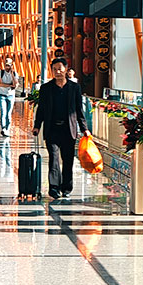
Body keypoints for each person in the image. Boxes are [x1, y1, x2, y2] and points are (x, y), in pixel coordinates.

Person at [33, 57, 87, 200]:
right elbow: (42, 109)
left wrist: (84, 128)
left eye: (60, 69)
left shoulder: (74, 88)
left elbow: (79, 110)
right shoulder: (46, 88)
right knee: (54, 159)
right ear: (52, 71)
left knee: (68, 160)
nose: (58, 72)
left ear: (66, 70)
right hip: (52, 129)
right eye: (55, 69)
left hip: (69, 130)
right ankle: (54, 188)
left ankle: (67, 188)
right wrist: (37, 126)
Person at [0, 57, 18, 137]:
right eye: (6, 65)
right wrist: (9, 85)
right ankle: (3, 128)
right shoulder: (0, 73)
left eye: (9, 65)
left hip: (11, 96)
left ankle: (7, 129)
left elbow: (15, 84)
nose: (7, 67)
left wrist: (12, 73)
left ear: (12, 65)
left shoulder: (15, 74)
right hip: (1, 95)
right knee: (3, 112)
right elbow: (0, 84)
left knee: (9, 113)